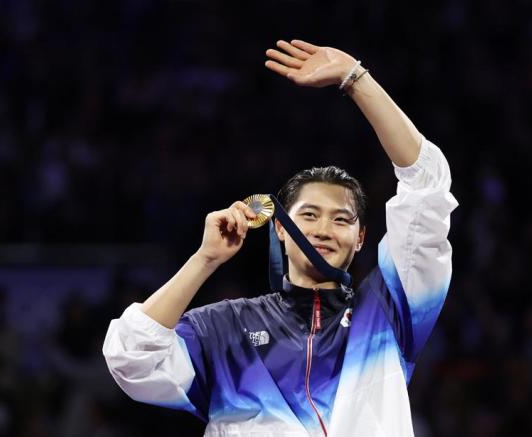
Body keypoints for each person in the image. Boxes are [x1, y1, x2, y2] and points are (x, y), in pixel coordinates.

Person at [103, 39, 458, 436]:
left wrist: (355, 79)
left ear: (361, 238)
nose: (324, 229)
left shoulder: (390, 314)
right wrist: (204, 259)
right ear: (280, 229)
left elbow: (427, 186)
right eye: (308, 215)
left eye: (341, 219)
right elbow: (131, 357)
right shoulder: (227, 329)